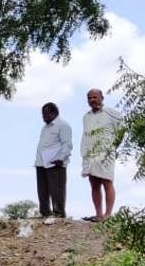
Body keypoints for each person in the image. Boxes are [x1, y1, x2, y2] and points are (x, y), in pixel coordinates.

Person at [80, 88, 124, 222]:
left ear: (102, 98)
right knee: (94, 184)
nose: (92, 100)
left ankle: (108, 215)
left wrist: (113, 146)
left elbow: (121, 130)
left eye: (95, 97)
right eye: (90, 98)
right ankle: (98, 214)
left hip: (106, 154)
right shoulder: (86, 116)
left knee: (107, 182)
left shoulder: (112, 113)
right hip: (90, 154)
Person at [34, 102, 71, 218]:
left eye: (46, 114)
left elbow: (67, 144)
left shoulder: (63, 125)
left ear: (54, 113)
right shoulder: (45, 127)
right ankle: (45, 213)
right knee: (42, 190)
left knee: (57, 190)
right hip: (41, 162)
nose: (44, 117)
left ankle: (58, 214)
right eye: (42, 114)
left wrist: (61, 158)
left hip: (56, 163)